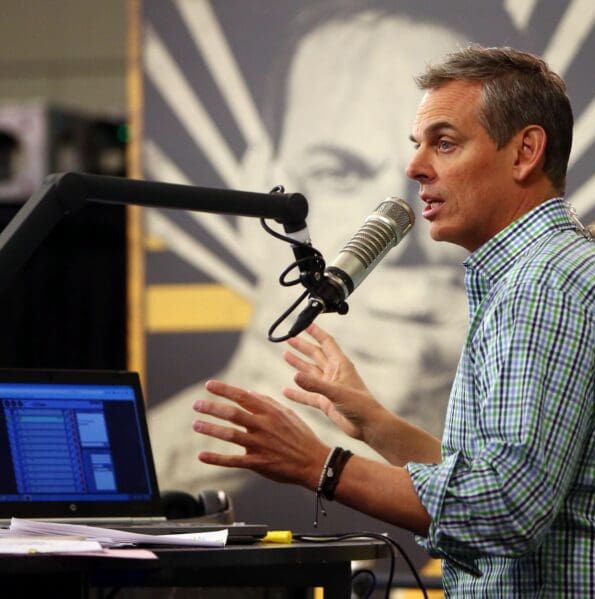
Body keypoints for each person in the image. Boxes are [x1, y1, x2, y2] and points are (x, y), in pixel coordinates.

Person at [192, 46, 595, 596]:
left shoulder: (542, 289)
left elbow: (504, 508)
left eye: (444, 143)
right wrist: (375, 425)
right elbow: (492, 478)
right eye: (419, 144)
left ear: (525, 151)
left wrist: (320, 465)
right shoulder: (545, 272)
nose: (415, 168)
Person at [148, 5, 473, 493]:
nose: (399, 225)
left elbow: (501, 506)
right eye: (338, 173)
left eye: (439, 164)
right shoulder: (161, 452)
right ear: (260, 184)